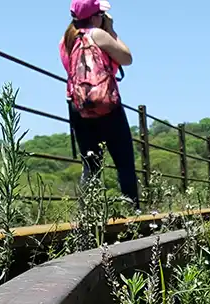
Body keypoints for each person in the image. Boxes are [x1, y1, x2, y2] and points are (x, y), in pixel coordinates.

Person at [60, 0, 138, 206]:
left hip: (78, 106)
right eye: (101, 14)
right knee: (124, 161)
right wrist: (111, 30)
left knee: (90, 164)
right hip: (106, 103)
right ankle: (132, 211)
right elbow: (127, 58)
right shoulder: (98, 34)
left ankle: (87, 215)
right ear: (94, 17)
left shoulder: (66, 40)